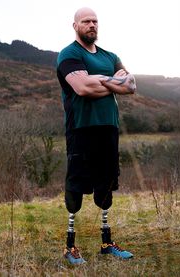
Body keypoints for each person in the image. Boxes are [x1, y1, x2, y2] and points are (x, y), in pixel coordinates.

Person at [55, 7, 137, 265]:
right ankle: (70, 247)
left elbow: (131, 85)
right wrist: (113, 83)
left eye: (95, 21)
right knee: (76, 186)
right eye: (86, 21)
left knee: (106, 185)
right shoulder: (69, 54)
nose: (92, 25)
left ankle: (106, 243)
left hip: (108, 128)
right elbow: (81, 88)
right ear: (75, 25)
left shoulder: (110, 56)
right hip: (81, 129)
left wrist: (98, 81)